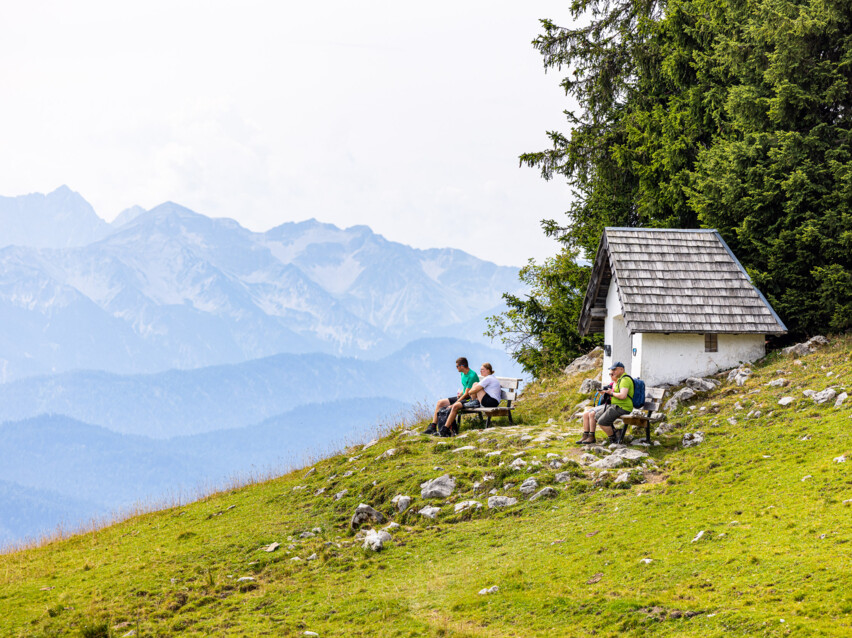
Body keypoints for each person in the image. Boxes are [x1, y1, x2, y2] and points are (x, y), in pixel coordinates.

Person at [576, 362, 634, 445]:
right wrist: (607, 393)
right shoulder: (620, 380)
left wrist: (611, 393)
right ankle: (615, 433)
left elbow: (623, 396)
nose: (612, 372)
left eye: (614, 370)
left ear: (621, 369)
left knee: (602, 422)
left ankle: (613, 440)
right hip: (615, 405)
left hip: (623, 407)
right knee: (596, 416)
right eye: (611, 371)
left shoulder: (625, 380)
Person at [423, 357, 479, 435]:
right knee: (440, 403)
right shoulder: (462, 373)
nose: (456, 368)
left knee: (454, 406)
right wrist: (460, 393)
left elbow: (467, 394)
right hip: (463, 396)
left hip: (470, 399)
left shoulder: (472, 375)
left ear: (462, 366)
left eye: (457, 366)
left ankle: (445, 429)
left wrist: (454, 403)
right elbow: (465, 387)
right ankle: (432, 427)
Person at [441, 362, 502, 434]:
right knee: (475, 384)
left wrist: (469, 392)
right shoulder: (490, 378)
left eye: (482, 369)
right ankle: (474, 401)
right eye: (480, 369)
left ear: (488, 370)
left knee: (476, 385)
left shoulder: (488, 378)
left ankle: (474, 401)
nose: (480, 371)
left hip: (491, 402)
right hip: (492, 401)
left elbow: (475, 389)